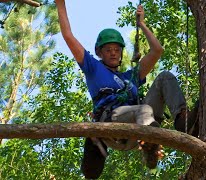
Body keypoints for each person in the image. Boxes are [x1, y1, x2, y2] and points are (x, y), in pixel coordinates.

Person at [55, 0, 198, 179]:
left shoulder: (130, 77)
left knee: (165, 76)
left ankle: (183, 122)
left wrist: (142, 25)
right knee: (144, 110)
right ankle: (150, 145)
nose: (113, 53)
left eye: (117, 49)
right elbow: (68, 36)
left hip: (139, 124)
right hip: (113, 124)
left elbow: (157, 50)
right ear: (99, 53)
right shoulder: (93, 68)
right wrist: (60, 4)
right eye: (108, 50)